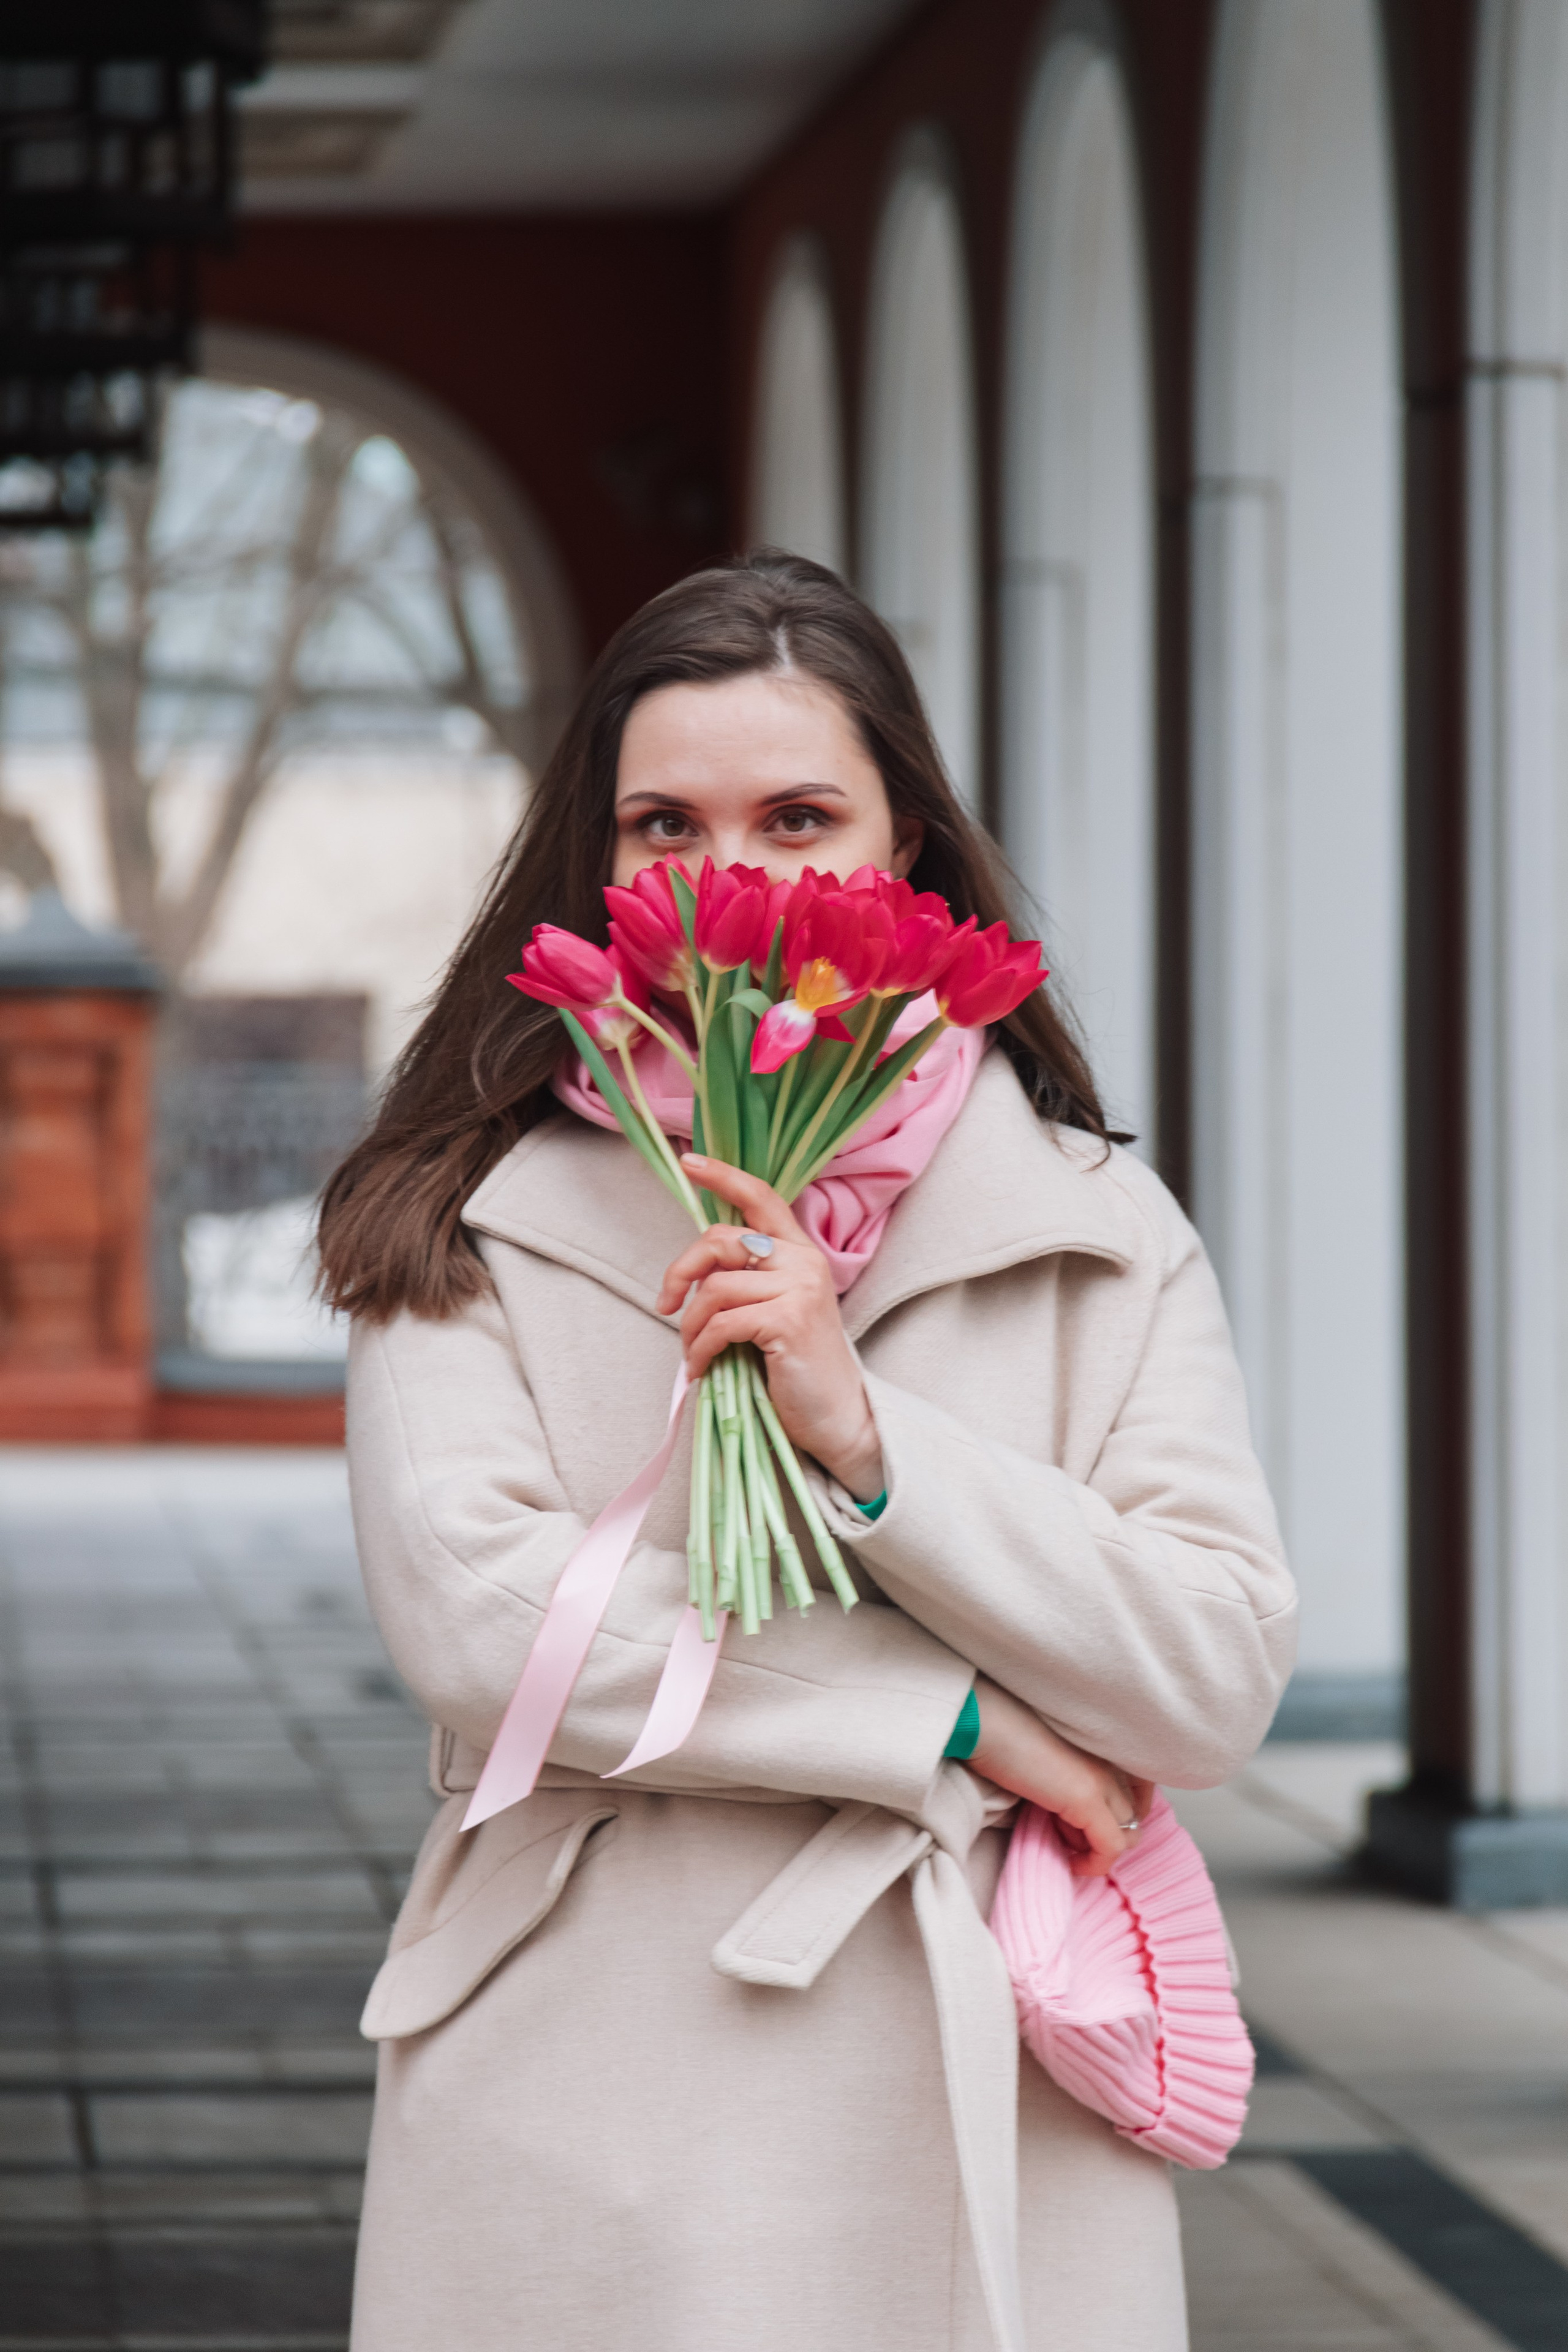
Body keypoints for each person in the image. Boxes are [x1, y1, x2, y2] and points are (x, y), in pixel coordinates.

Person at [319, 550, 1295, 2352]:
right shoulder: (459, 1207)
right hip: (585, 2069)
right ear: (596, 869)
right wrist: (962, 1720)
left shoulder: (1092, 1223)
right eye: (663, 828)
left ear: (902, 852)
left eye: (797, 816)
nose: (729, 882)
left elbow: (1213, 1674)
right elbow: (492, 1624)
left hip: (985, 2070)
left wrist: (874, 1447)